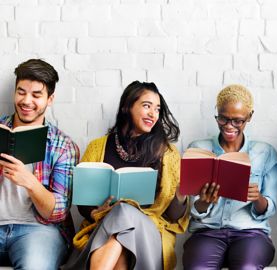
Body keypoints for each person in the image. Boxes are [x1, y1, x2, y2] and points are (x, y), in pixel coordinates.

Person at [64, 81, 189, 270]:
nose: (152, 114)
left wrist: (180, 194)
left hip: (149, 236)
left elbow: (172, 217)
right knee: (120, 239)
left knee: (123, 210)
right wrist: (94, 212)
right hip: (104, 230)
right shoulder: (98, 147)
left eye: (157, 109)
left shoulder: (168, 153)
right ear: (126, 107)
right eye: (146, 106)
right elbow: (83, 202)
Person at [182, 84, 277, 270]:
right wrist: (204, 201)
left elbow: (270, 207)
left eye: (237, 121)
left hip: (251, 233)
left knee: (247, 267)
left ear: (249, 116)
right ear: (217, 114)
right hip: (207, 233)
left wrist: (257, 198)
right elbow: (193, 208)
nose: (229, 126)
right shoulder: (198, 149)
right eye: (223, 119)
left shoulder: (264, 152)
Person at [0, 59, 80, 269]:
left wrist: (30, 183)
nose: (26, 101)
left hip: (39, 230)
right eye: (21, 92)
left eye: (36, 95)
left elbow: (57, 213)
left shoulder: (63, 146)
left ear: (49, 99)